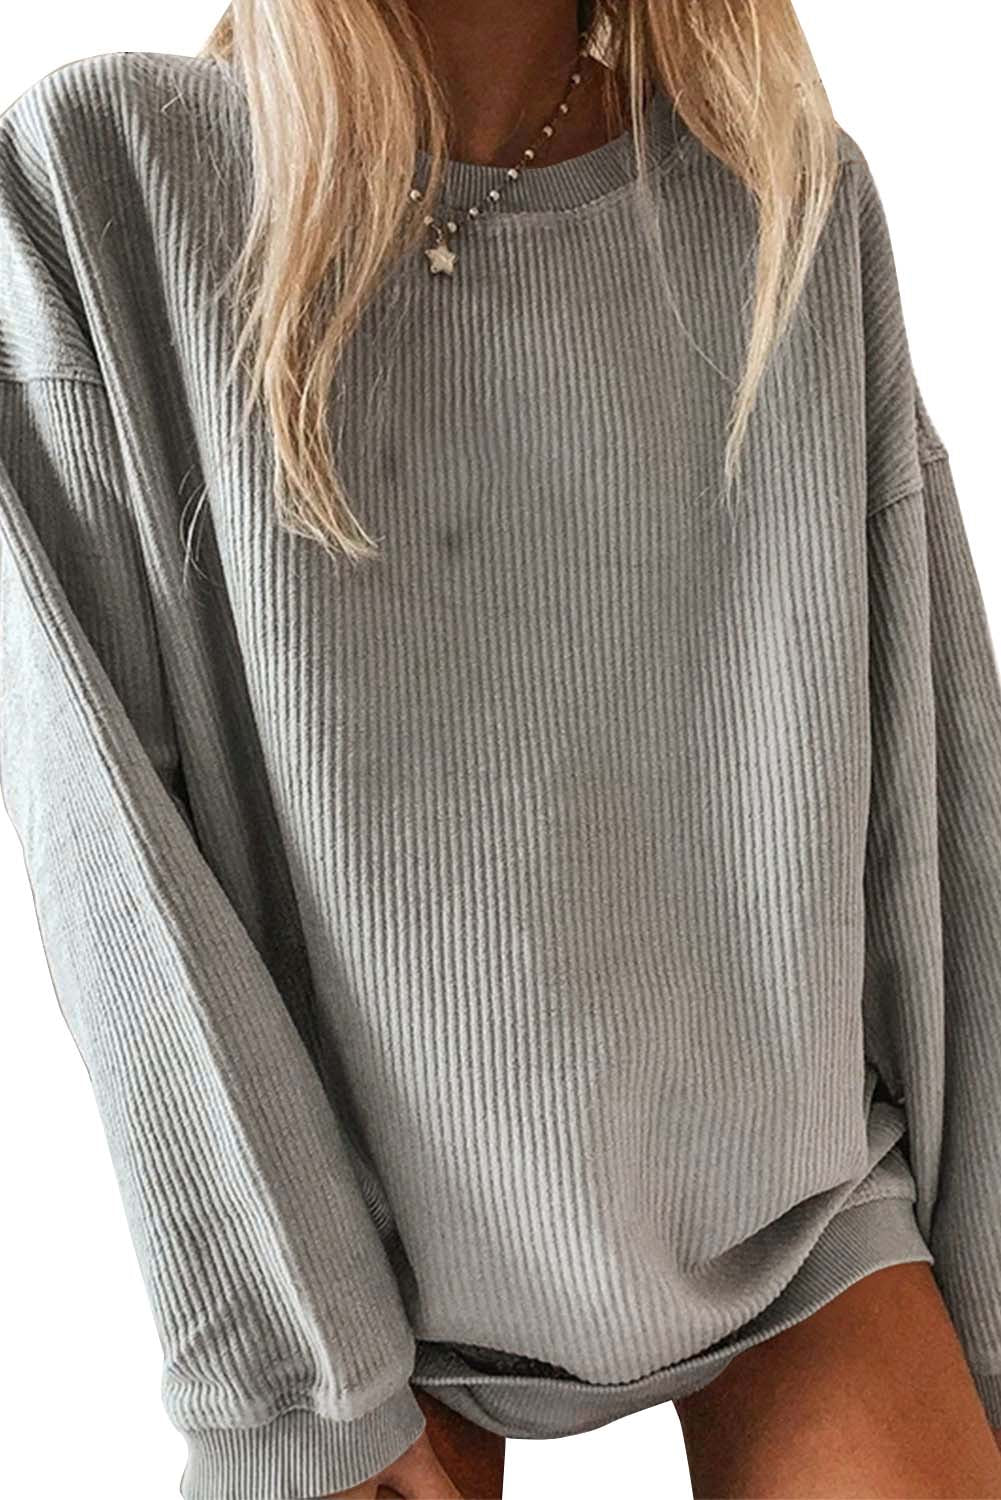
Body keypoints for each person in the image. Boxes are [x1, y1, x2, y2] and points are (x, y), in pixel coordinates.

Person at [1, 2, 999, 1497]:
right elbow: (118, 875)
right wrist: (301, 1386)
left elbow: (940, 798)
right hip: (358, 1273)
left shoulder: (785, 201)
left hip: (794, 1229)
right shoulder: (103, 178)